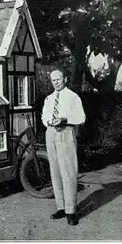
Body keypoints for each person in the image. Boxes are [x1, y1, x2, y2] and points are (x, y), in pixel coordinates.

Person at [41, 68, 86, 226]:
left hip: (66, 132)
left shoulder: (73, 97)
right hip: (51, 134)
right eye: (53, 80)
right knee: (55, 171)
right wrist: (49, 122)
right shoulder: (49, 98)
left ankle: (71, 211)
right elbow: (44, 116)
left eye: (58, 79)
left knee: (68, 171)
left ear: (65, 79)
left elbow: (81, 117)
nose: (56, 82)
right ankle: (61, 207)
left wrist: (65, 119)